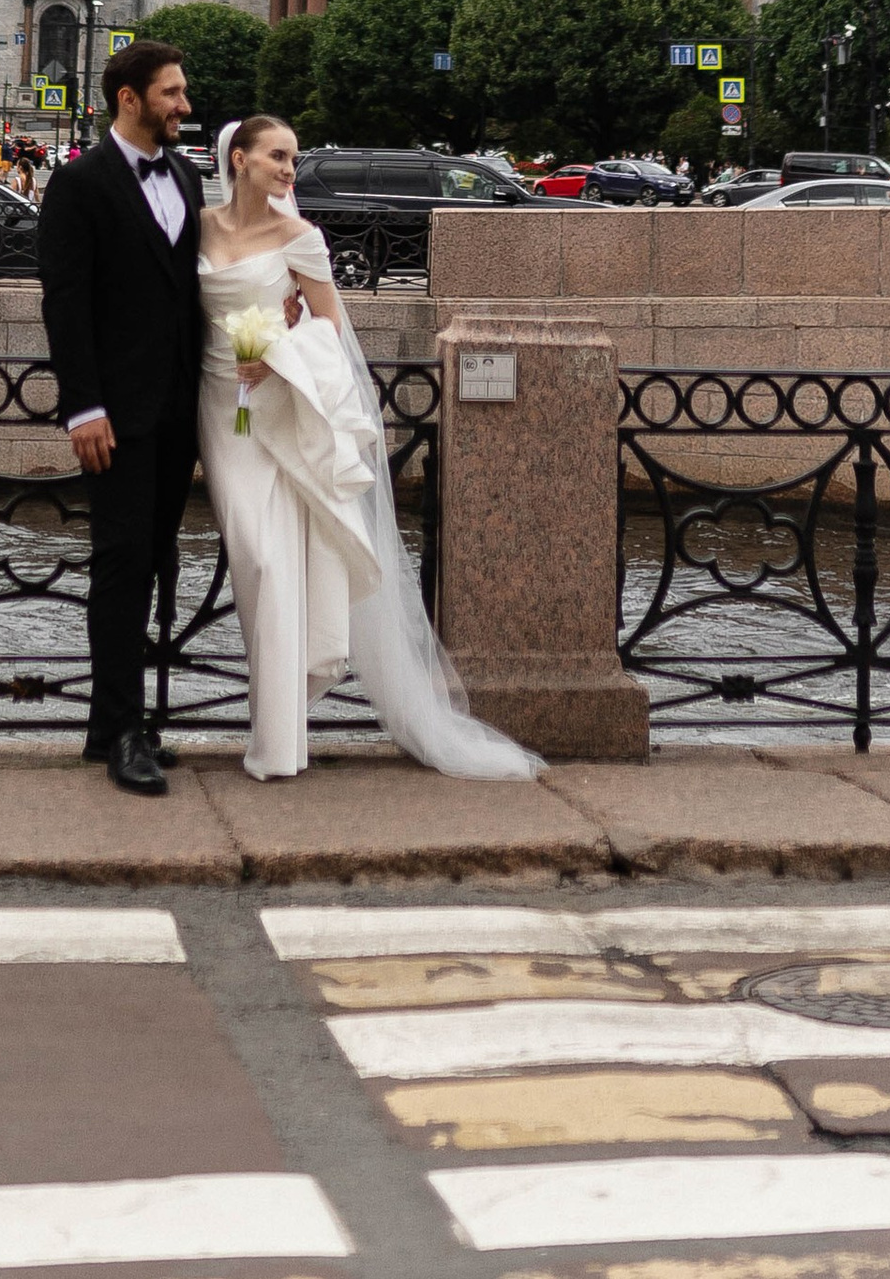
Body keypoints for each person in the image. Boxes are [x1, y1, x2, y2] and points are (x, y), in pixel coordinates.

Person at [197, 110, 538, 785]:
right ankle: (277, 720)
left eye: (293, 158)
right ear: (239, 159)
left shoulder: (300, 237)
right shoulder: (199, 228)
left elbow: (329, 324)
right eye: (277, 156)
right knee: (256, 557)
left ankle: (278, 735)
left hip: (279, 400)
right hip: (218, 407)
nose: (289, 169)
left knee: (277, 561)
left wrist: (278, 352)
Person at [38, 39, 206, 797]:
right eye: (171, 93)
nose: (184, 105)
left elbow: (194, 287)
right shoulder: (79, 183)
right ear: (129, 98)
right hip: (115, 415)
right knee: (120, 566)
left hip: (179, 410)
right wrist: (84, 407)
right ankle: (120, 732)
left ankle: (116, 725)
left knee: (155, 559)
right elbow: (65, 305)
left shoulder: (186, 176)